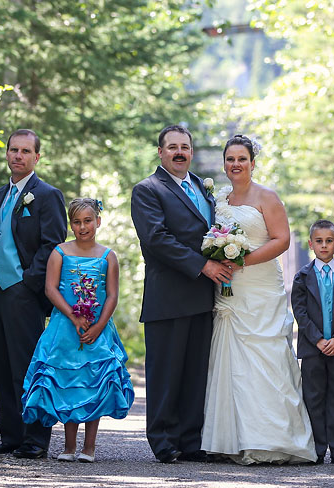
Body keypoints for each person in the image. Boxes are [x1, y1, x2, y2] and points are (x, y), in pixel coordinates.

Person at [201, 134, 317, 464]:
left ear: (253, 162)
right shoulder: (217, 200)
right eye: (230, 159)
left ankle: (274, 439)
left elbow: (281, 241)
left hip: (260, 285)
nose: (235, 164)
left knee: (267, 357)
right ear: (224, 164)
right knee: (232, 361)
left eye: (242, 159)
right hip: (229, 288)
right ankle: (233, 439)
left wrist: (241, 260)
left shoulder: (268, 197)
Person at [131, 125, 231, 464]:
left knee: (194, 373)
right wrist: (203, 266)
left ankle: (192, 440)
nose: (179, 152)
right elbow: (156, 239)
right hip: (169, 296)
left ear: (191, 152)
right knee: (166, 373)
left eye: (184, 147)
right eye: (172, 147)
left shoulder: (202, 188)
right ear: (160, 152)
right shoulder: (147, 190)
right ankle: (163, 441)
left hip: (203, 296)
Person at [21, 198, 134, 463]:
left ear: (98, 221)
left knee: (93, 381)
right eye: (76, 222)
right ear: (70, 224)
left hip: (98, 329)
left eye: (87, 221)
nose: (82, 227)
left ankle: (89, 447)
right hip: (65, 327)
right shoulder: (60, 252)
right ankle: (69, 447)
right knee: (68, 382)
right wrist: (74, 317)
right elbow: (50, 289)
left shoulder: (108, 256)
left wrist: (98, 326)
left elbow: (112, 296)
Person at [0, 129, 68, 459]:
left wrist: (29, 281)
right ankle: (11, 436)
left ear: (36, 157)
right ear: (7, 154)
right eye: (13, 150)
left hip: (24, 293)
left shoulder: (47, 194)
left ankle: (35, 440)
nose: (18, 156)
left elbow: (53, 243)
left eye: (25, 151)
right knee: (1, 367)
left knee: (28, 368)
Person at [291, 220, 334, 466]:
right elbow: (300, 312)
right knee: (314, 397)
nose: (324, 245)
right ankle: (317, 448)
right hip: (312, 348)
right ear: (310, 244)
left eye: (329, 241)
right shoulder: (302, 277)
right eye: (319, 241)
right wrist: (318, 339)